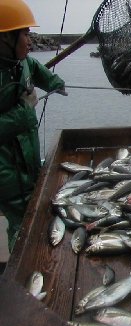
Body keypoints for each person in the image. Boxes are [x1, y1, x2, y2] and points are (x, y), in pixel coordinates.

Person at [0, 0, 67, 252]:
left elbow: (35, 69)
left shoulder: (20, 61)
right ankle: (18, 277)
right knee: (23, 223)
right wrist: (24, 112)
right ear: (6, 37)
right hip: (5, 172)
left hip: (27, 159)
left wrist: (53, 82)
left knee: (37, 208)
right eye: (25, 34)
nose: (30, 40)